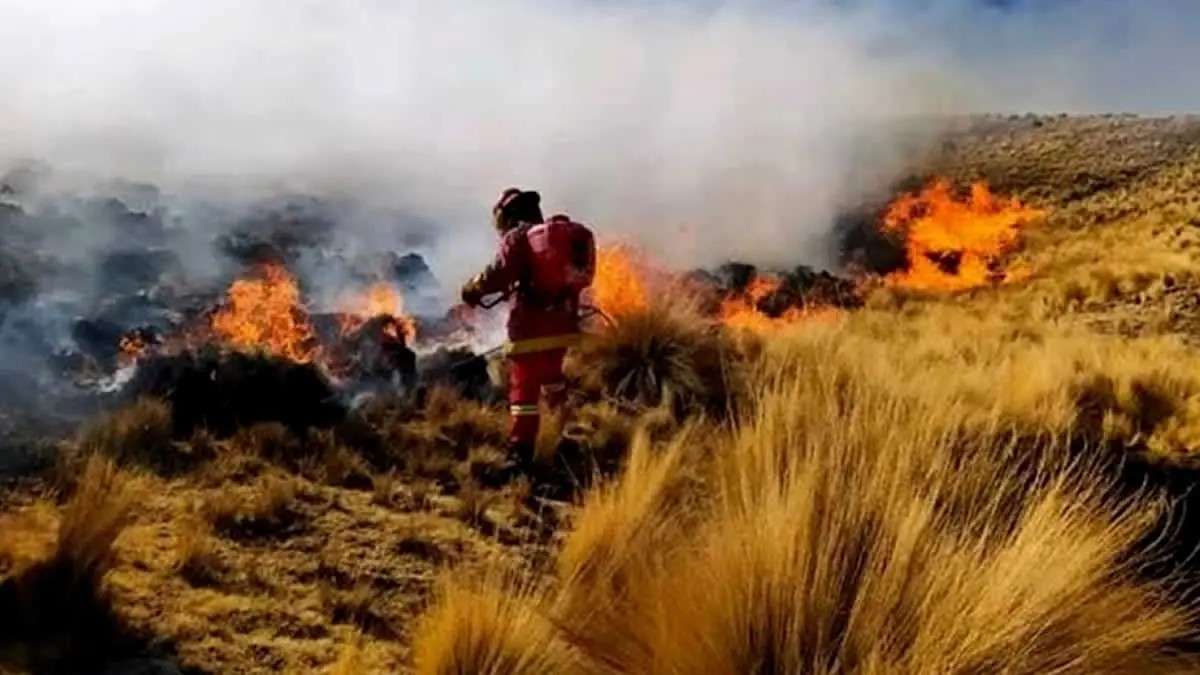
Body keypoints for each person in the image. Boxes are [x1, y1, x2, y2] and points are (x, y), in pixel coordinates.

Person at [460, 188, 596, 474]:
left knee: (523, 389)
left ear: (507, 215)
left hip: (530, 327)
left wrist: (473, 287)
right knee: (553, 380)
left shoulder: (518, 237)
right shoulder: (549, 240)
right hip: (563, 324)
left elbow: (500, 273)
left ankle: (521, 453)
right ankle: (569, 437)